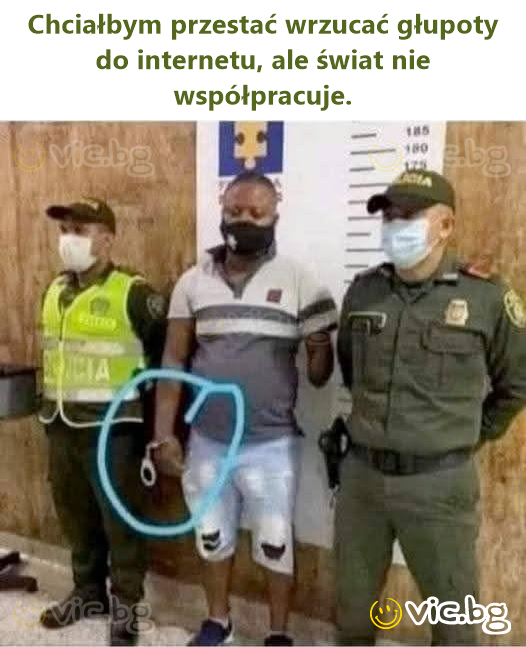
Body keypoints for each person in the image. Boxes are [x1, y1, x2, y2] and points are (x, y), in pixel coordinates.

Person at [335, 169, 526, 645]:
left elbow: (517, 384)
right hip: (362, 481)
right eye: (389, 216)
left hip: (438, 486)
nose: (395, 226)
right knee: (353, 611)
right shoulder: (364, 291)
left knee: (454, 619)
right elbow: (351, 369)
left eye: (409, 216)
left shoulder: (486, 297)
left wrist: (465, 436)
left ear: (446, 226)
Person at [152, 171, 338, 646]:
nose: (244, 220)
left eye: (257, 213)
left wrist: (319, 347)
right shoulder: (193, 281)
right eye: (235, 211)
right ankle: (219, 622)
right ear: (222, 212)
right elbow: (172, 361)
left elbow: (320, 376)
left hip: (270, 443)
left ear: (275, 216)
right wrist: (163, 434)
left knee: (275, 543)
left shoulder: (298, 280)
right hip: (207, 441)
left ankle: (278, 633)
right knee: (212, 537)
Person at [38, 198, 167, 646]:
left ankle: (126, 604)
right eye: (64, 230)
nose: (68, 239)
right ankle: (87, 592)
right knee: (75, 516)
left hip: (113, 430)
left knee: (120, 521)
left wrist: (155, 431)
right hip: (61, 424)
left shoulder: (134, 293)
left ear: (108, 239)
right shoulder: (54, 289)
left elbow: (163, 359)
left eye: (80, 230)